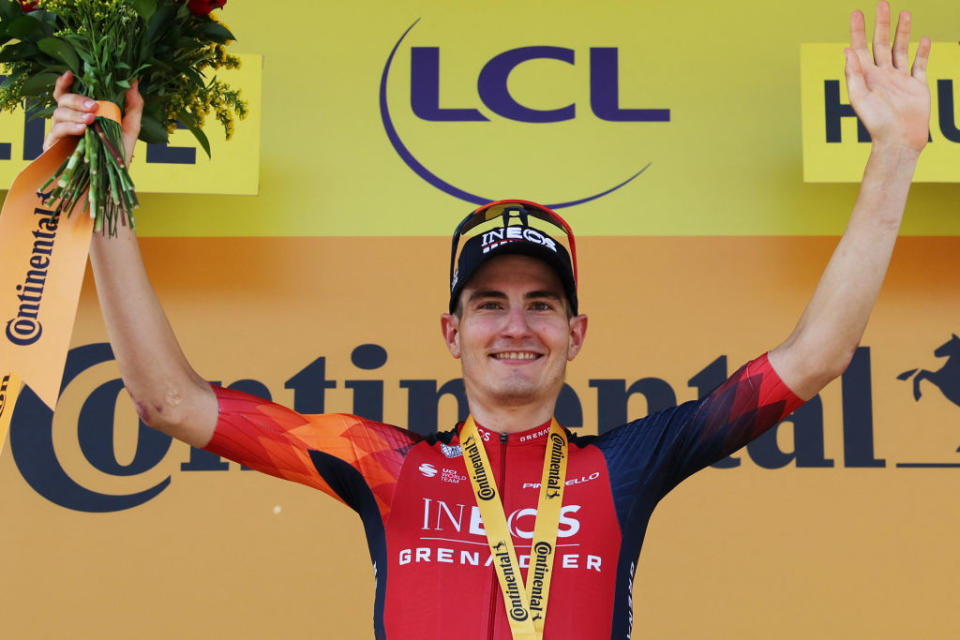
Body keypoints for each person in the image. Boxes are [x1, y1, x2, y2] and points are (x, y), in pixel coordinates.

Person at [43, 3, 931, 639]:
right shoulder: (383, 463)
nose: (517, 325)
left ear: (576, 335)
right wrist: (109, 189)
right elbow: (167, 401)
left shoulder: (626, 466)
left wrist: (893, 153)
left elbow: (814, 358)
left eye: (543, 304)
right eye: (490, 303)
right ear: (451, 331)